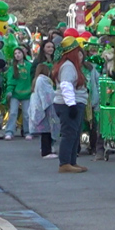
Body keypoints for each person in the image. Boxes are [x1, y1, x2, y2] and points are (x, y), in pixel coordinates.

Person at [52, 35, 87, 173]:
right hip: (68, 104)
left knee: (75, 133)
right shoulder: (68, 67)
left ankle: (72, 161)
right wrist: (71, 105)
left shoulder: (71, 66)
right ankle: (64, 163)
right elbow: (66, 85)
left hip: (74, 103)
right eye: (78, 52)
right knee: (69, 133)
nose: (81, 55)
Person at [27, 63, 59, 159]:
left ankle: (46, 149)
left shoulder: (36, 80)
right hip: (44, 109)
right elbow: (47, 94)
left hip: (38, 107)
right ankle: (46, 151)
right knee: (47, 130)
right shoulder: (43, 80)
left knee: (45, 131)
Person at [3, 45, 32, 140]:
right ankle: (9, 131)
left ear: (23, 54)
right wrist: (9, 91)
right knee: (13, 113)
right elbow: (11, 81)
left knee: (27, 114)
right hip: (15, 94)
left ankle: (27, 131)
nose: (17, 55)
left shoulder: (29, 66)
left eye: (19, 53)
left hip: (27, 94)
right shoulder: (12, 68)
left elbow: (32, 79)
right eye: (15, 54)